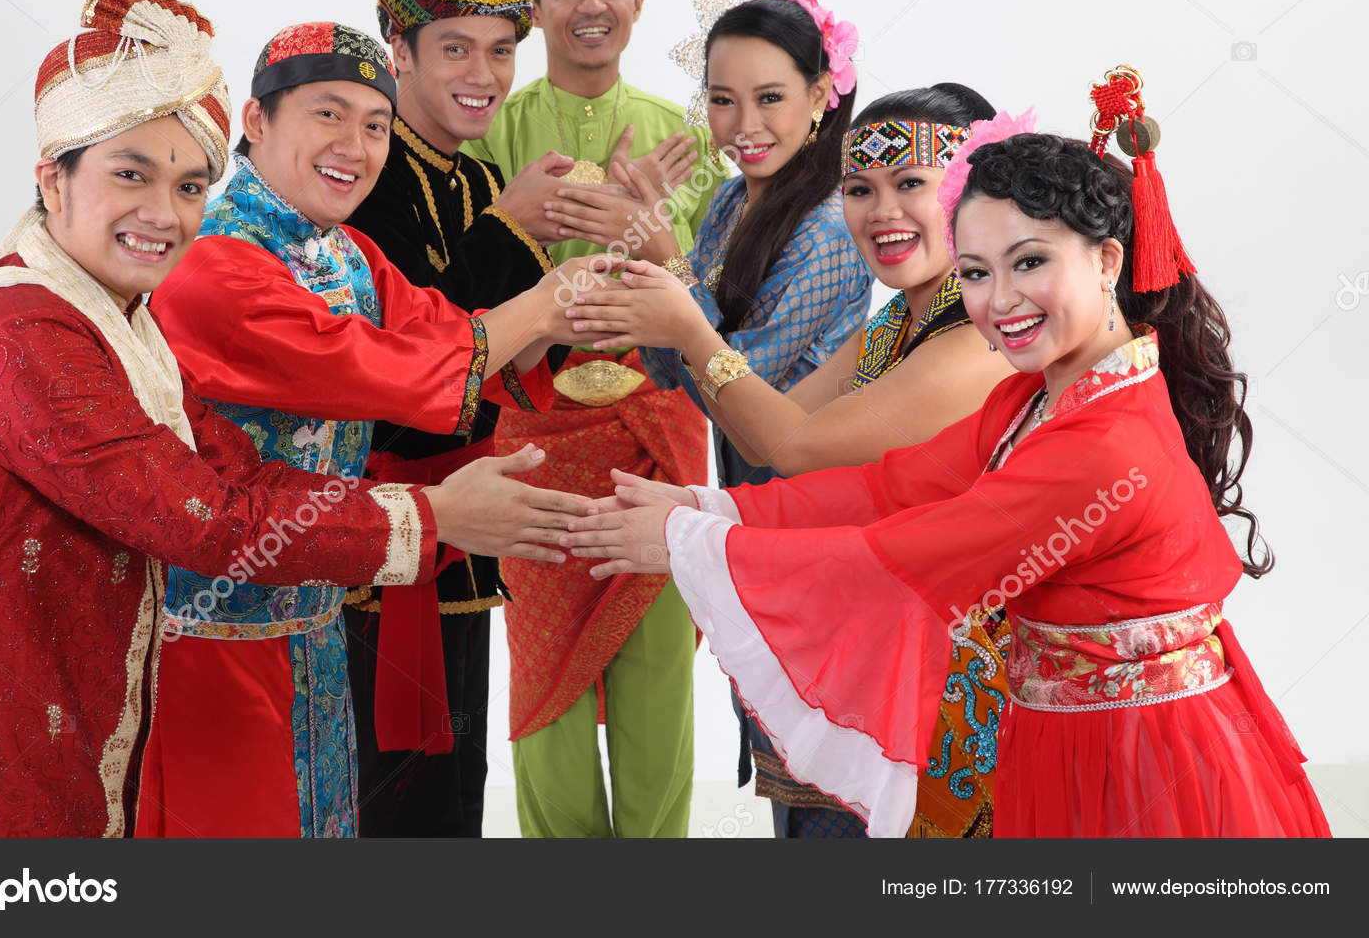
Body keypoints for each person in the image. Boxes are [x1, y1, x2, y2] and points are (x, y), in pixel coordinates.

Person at [0, 0, 589, 838]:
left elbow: (241, 453)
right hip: (28, 721)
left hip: (264, 626)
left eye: (189, 185)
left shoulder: (128, 318)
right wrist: (435, 512)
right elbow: (213, 515)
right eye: (130, 174)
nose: (164, 212)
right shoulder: (36, 331)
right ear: (53, 177)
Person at [564, 68, 1331, 837]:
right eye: (976, 272)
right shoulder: (1034, 397)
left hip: (1145, 763)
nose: (1000, 300)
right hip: (1054, 738)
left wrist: (692, 543)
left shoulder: (1106, 442)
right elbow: (890, 487)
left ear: (1107, 260)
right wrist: (714, 505)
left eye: (1030, 262)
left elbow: (903, 555)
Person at [142, 15, 594, 838]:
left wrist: (585, 307)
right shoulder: (213, 257)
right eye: (327, 113)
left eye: (376, 124)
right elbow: (375, 368)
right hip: (216, 624)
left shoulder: (343, 251)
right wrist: (543, 300)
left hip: (314, 615)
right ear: (256, 121)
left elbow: (440, 324)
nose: (354, 143)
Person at [570, 82, 1015, 836]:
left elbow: (791, 446)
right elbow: (764, 434)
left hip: (958, 684)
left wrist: (688, 322)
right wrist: (691, 507)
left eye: (911, 183)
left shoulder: (981, 341)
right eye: (859, 188)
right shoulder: (890, 330)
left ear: (969, 194)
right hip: (870, 653)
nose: (883, 213)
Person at [463, 0, 722, 839]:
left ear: (640, 1)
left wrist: (660, 237)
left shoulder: (681, 138)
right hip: (532, 448)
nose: (590, 4)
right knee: (545, 695)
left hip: (653, 442)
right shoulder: (494, 130)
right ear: (532, 6)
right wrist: (506, 215)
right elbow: (450, 292)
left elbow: (713, 308)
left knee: (658, 684)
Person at [340, 0, 566, 837]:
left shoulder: (474, 176)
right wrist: (518, 230)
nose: (484, 72)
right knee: (385, 802)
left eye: (501, 48)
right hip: (374, 544)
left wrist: (613, 275)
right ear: (398, 50)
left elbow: (509, 361)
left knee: (456, 800)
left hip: (470, 539)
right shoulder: (358, 174)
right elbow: (423, 355)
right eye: (454, 49)